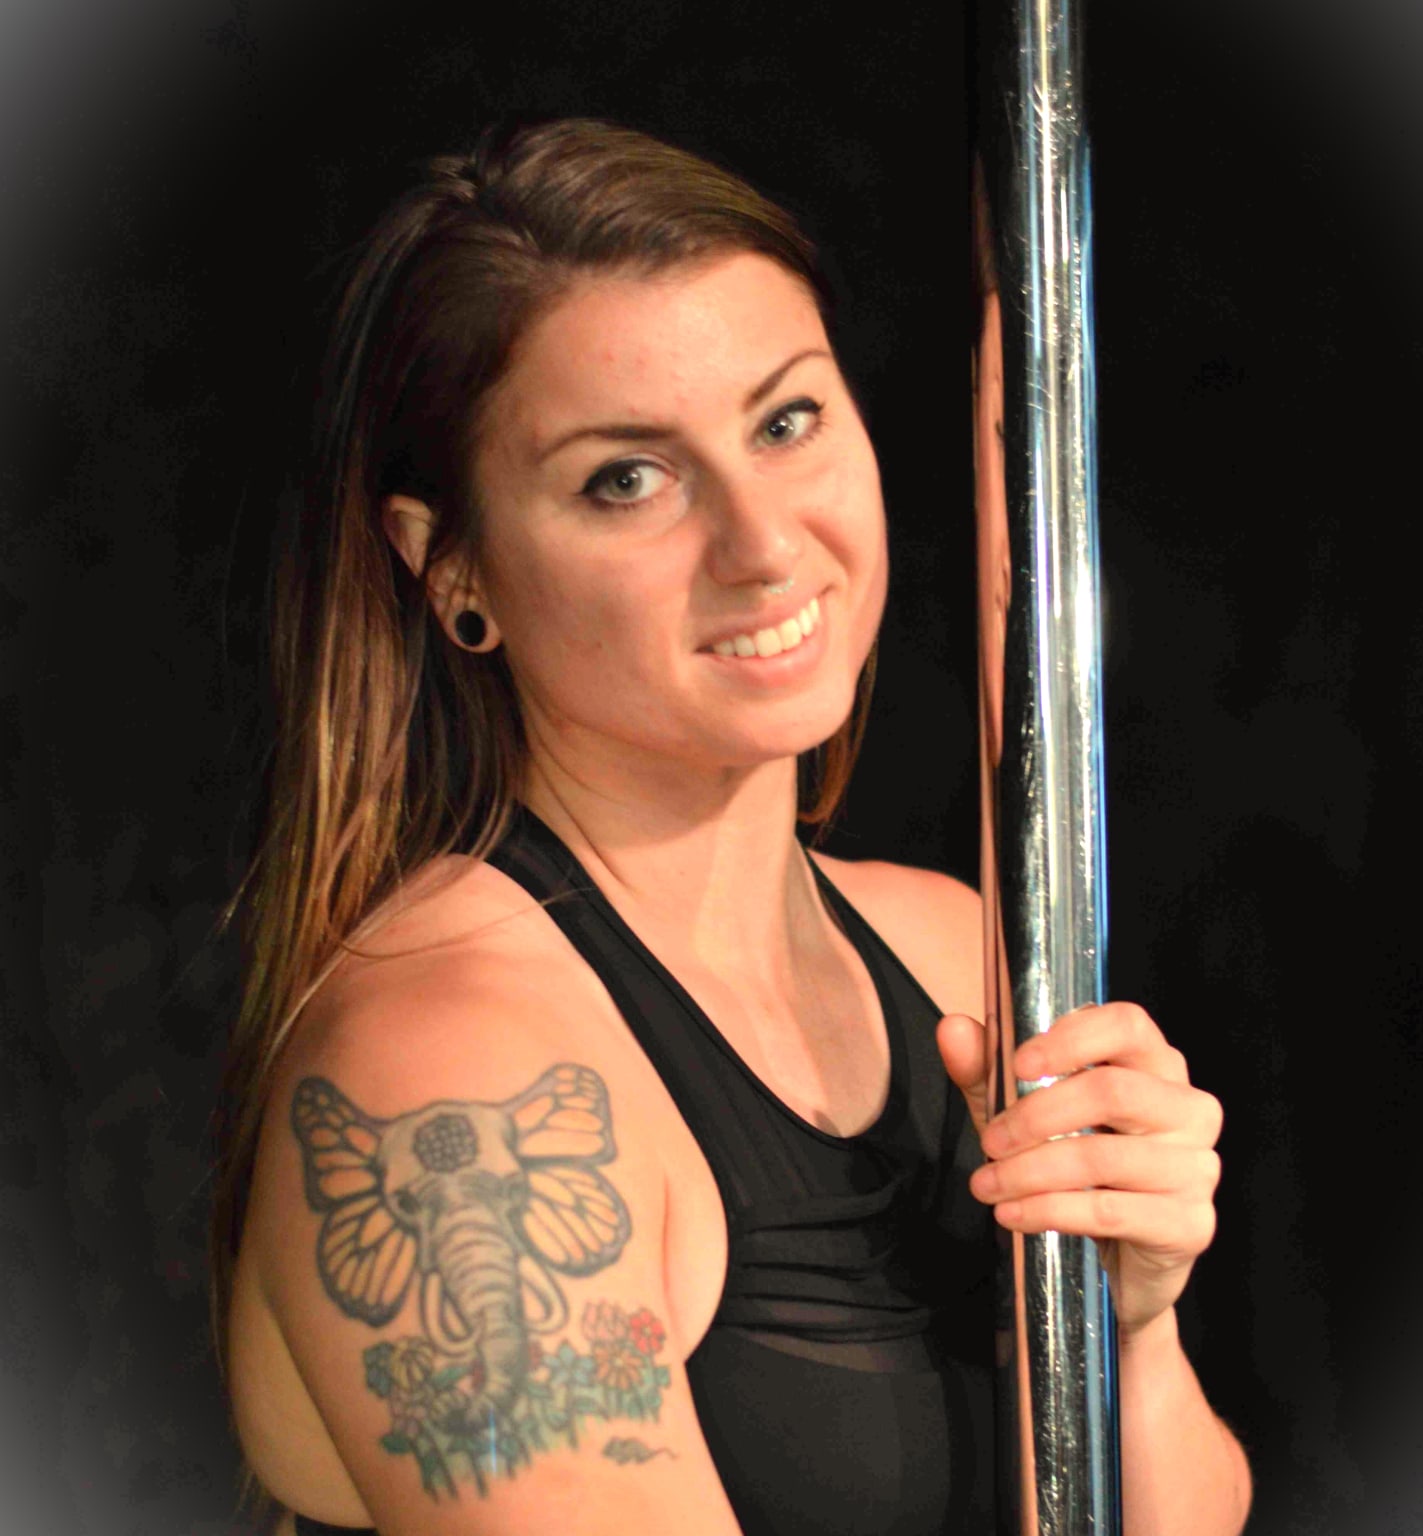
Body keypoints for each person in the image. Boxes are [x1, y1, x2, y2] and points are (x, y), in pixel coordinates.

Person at [212, 118, 1251, 1536]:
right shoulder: (445, 1067)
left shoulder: (954, 948)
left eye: (785, 421)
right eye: (626, 479)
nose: (763, 545)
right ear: (453, 570)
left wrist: (1127, 1324)